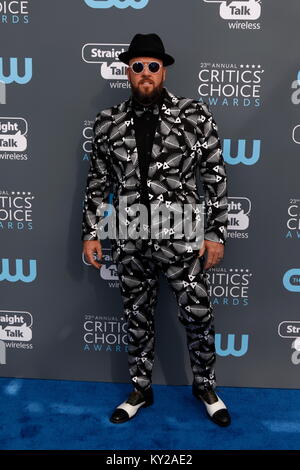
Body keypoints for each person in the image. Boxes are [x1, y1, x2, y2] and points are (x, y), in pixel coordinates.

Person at [81, 33, 230, 427]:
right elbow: (98, 183)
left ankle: (206, 386)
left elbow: (214, 176)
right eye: (137, 67)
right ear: (127, 72)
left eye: (153, 66)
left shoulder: (194, 115)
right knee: (137, 317)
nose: (145, 73)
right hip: (129, 235)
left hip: (181, 234)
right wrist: (92, 231)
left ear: (163, 71)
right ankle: (140, 389)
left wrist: (215, 233)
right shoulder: (106, 123)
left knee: (198, 314)